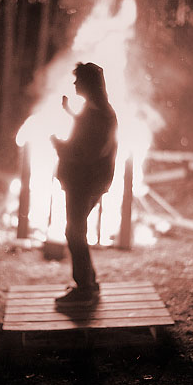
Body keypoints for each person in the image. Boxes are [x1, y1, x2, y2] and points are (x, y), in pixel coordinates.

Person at [50, 62, 118, 307]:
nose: (75, 84)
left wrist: (58, 145)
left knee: (74, 232)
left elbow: (87, 152)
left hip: (83, 182)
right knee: (77, 231)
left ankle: (84, 288)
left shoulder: (96, 113)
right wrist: (71, 113)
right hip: (88, 182)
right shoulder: (97, 110)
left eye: (78, 80)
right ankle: (89, 282)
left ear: (88, 84)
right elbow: (89, 132)